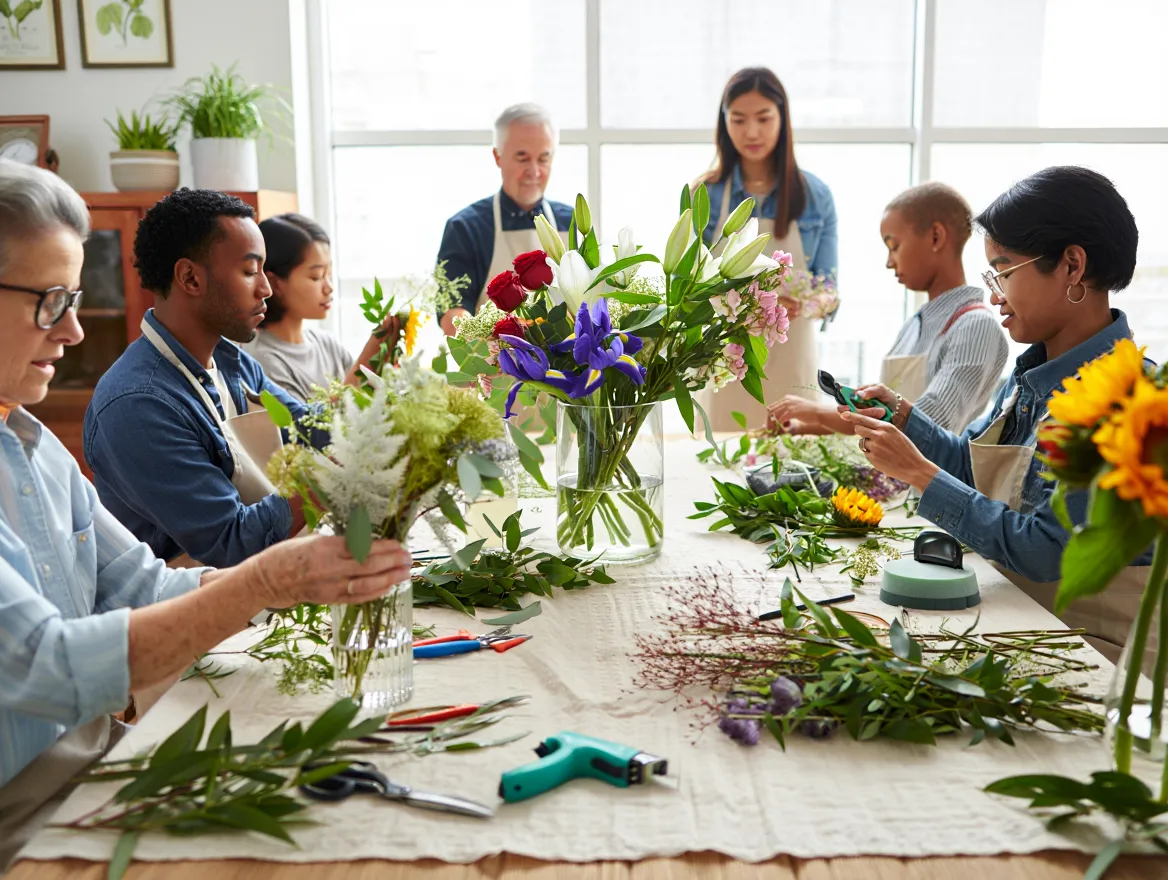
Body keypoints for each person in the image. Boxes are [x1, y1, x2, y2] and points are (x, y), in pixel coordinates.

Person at [0, 160, 412, 868]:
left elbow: (144, 584)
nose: (71, 333)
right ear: (192, 279)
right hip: (26, 817)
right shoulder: (136, 404)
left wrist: (303, 575)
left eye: (73, 299)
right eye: (48, 302)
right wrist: (269, 582)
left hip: (93, 761)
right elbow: (51, 669)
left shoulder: (36, 447)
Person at [839, 166, 1151, 665]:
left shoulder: (1122, 399)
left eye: (1003, 271)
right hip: (1030, 623)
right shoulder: (1036, 373)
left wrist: (918, 471)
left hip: (1095, 652)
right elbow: (977, 468)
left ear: (1072, 266)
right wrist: (904, 417)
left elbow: (1044, 550)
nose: (993, 293)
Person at [84, 189, 329, 569]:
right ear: (190, 278)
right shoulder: (138, 404)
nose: (265, 288)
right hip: (194, 614)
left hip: (260, 589)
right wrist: (335, 476)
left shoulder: (233, 363)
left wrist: (383, 415)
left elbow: (310, 427)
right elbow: (229, 542)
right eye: (250, 271)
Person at [768, 182, 1008, 435]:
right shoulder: (915, 326)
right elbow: (879, 414)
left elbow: (929, 424)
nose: (889, 262)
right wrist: (802, 427)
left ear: (936, 236)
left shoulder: (975, 326)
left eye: (894, 246)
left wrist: (815, 411)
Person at [696, 67, 838, 431]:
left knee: (793, 469)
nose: (752, 132)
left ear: (783, 119)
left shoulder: (815, 197)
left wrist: (803, 304)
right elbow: (688, 287)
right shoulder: (705, 195)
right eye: (739, 119)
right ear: (724, 122)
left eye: (763, 118)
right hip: (727, 362)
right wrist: (736, 304)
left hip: (793, 360)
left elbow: (830, 293)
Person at [436, 103, 572, 336]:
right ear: (497, 157)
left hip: (566, 370)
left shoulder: (572, 223)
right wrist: (497, 341)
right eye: (522, 158)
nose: (534, 171)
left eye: (543, 158)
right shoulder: (465, 228)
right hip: (492, 367)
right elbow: (451, 313)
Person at [242, 213, 399, 402]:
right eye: (316, 276)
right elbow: (310, 430)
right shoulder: (264, 362)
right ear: (274, 283)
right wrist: (370, 354)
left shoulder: (326, 344)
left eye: (329, 274)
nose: (329, 287)